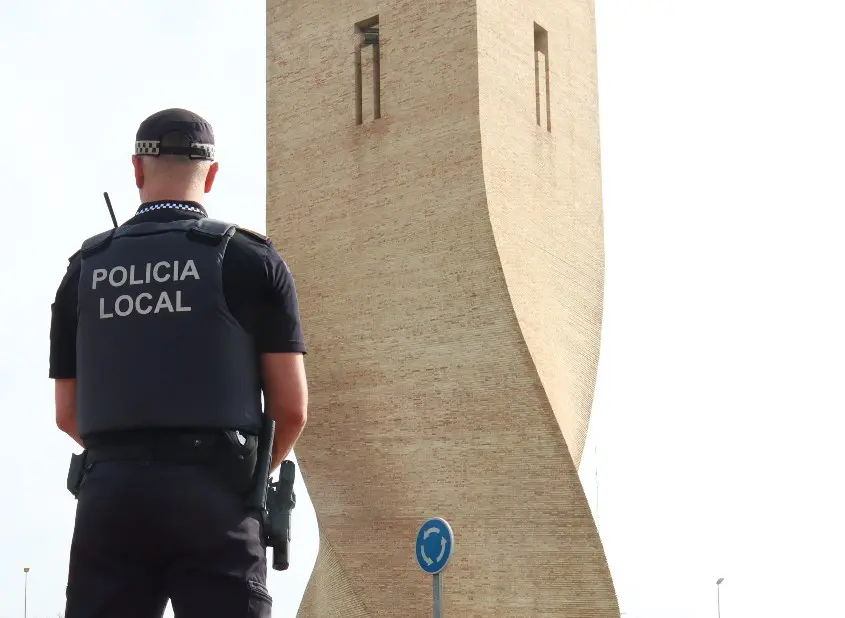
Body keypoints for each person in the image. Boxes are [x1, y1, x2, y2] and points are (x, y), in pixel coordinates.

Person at [49, 108, 308, 618]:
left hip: (111, 497)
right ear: (211, 175)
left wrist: (131, 460)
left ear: (136, 169)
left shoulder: (83, 269)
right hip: (217, 496)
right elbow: (291, 409)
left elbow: (66, 413)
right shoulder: (251, 259)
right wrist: (247, 476)